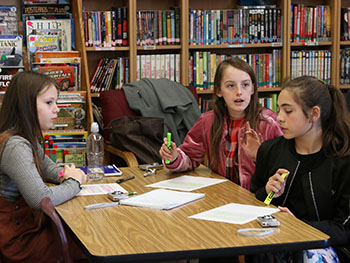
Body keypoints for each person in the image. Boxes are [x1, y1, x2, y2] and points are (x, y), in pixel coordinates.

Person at [250, 76, 350, 262]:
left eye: (288, 111)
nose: (279, 117)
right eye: (278, 109)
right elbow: (254, 204)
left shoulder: (343, 159)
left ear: (314, 114)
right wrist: (268, 192)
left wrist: (296, 226)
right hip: (275, 243)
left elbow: (344, 229)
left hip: (326, 246)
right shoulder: (270, 150)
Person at [0, 71, 87, 262]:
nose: (57, 109)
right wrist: (74, 181)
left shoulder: (25, 137)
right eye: (49, 103)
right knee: (87, 240)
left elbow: (49, 169)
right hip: (19, 239)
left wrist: (67, 173)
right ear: (26, 105)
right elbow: (41, 198)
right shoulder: (15, 146)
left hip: (27, 226)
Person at [159, 57, 283, 190]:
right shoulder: (207, 121)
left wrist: (259, 157)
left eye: (245, 85)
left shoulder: (269, 123)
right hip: (223, 195)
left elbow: (283, 167)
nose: (239, 92)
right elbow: (189, 156)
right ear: (218, 91)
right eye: (230, 86)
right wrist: (174, 157)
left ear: (252, 88)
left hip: (258, 197)